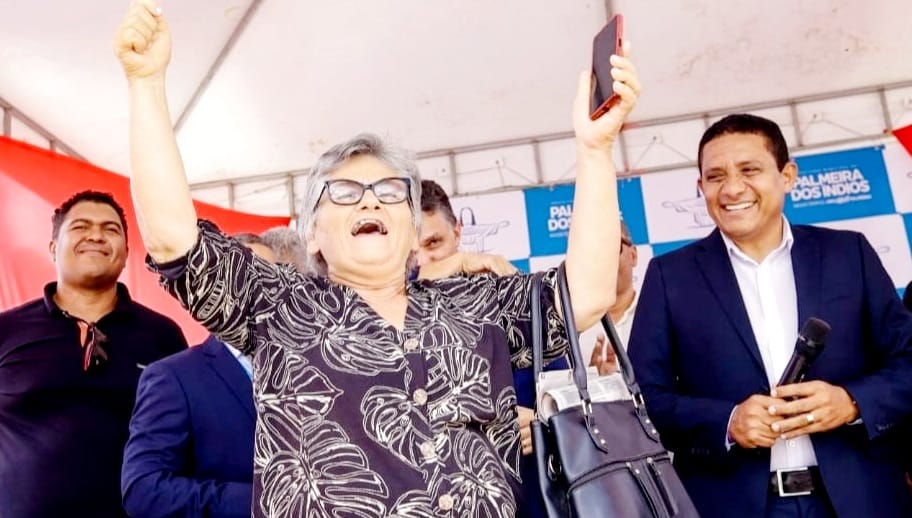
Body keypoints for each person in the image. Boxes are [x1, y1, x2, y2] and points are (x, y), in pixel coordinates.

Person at [114, 1, 639, 515]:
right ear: (312, 235)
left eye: (390, 192)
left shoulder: (477, 305)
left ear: (414, 231)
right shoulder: (277, 305)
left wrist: (595, 150)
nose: (369, 200)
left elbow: (587, 293)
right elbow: (173, 241)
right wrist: (146, 85)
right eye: (343, 193)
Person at [628, 113, 912, 518]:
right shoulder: (670, 276)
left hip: (860, 499)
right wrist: (727, 422)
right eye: (715, 176)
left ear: (788, 176)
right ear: (700, 187)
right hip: (730, 504)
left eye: (750, 170)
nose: (732, 189)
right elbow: (642, 398)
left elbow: (907, 361)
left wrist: (851, 402)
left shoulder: (849, 255)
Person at [0, 190, 188, 518]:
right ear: (53, 248)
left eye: (111, 229)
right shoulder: (7, 330)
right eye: (81, 226)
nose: (96, 235)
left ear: (127, 253)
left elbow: (188, 438)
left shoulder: (163, 335)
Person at [121, 233, 278, 518]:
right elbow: (144, 489)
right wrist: (262, 502)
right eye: (243, 275)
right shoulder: (173, 377)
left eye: (270, 276)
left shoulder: (315, 370)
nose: (258, 287)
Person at [579, 218, 638, 375]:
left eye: (612, 247)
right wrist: (592, 380)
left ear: (633, 255)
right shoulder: (572, 329)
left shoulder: (659, 315)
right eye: (593, 253)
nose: (603, 260)